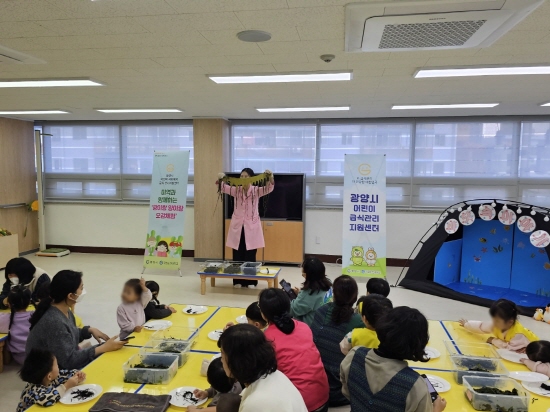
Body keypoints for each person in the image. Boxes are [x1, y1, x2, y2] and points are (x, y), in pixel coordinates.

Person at [341, 307, 447, 412]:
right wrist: (436, 409)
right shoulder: (416, 387)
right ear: (419, 344)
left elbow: (347, 392)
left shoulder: (354, 355)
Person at [26, 270, 126, 370]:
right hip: (46, 373)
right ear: (70, 296)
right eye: (81, 288)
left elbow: (68, 336)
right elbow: (69, 361)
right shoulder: (54, 321)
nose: (83, 291)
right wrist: (102, 348)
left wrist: (88, 330)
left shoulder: (63, 310)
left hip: (59, 364)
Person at [260, 288, 329, 412]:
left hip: (299, 405)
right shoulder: (304, 327)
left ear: (263, 314)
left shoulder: (266, 339)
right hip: (323, 396)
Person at [217, 324, 307, 412]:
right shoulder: (274, 374)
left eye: (222, 353)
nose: (221, 360)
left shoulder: (255, 403)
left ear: (237, 360)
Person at [310, 275, 364, 407]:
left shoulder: (321, 311)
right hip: (340, 391)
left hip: (315, 384)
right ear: (355, 296)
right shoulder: (358, 321)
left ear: (334, 294)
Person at [218, 168, 274, 288]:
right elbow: (223, 187)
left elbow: (269, 188)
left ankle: (251, 281)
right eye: (241, 176)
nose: (243, 178)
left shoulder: (256, 190)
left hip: (251, 227)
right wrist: (221, 178)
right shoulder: (236, 190)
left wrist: (270, 177)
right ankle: (237, 281)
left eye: (246, 176)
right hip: (238, 227)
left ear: (252, 178)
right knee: (237, 255)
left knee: (250, 255)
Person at [17, 349, 86, 412]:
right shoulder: (32, 391)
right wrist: (66, 386)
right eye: (57, 365)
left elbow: (65, 374)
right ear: (49, 376)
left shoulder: (50, 378)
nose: (59, 367)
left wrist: (77, 375)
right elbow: (46, 399)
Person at [459, 298, 538, 351]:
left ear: (510, 322)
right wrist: (467, 324)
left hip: (534, 349)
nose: (493, 323)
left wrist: (493, 340)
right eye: (493, 319)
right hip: (515, 346)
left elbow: (510, 349)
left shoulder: (518, 335)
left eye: (497, 321)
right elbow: (481, 326)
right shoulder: (496, 324)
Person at [290, 258, 333, 326]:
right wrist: (301, 296)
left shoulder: (309, 292)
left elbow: (293, 310)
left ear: (307, 275)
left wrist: (283, 300)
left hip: (313, 327)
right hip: (326, 322)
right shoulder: (329, 284)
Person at [0, 285, 33, 364]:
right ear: (29, 302)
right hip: (37, 355)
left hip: (19, 358)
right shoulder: (35, 315)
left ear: (9, 303)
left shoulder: (5, 318)